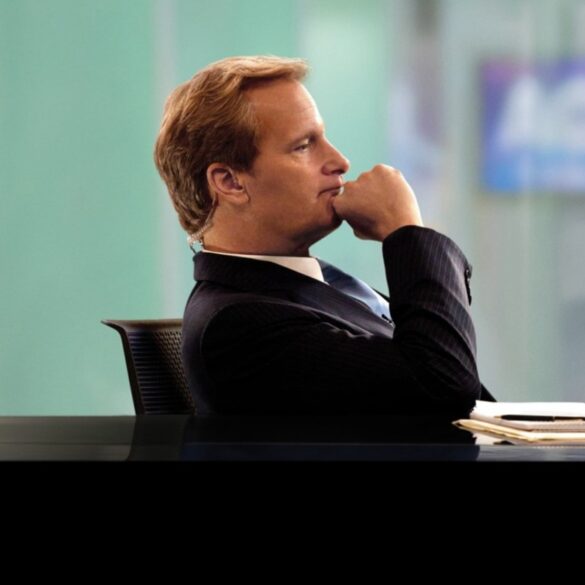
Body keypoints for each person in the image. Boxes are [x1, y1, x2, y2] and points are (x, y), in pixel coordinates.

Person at [154, 55, 494, 416]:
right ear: (230, 182)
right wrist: (406, 232)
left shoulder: (311, 285)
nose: (340, 161)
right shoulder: (238, 325)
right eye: (303, 146)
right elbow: (445, 385)